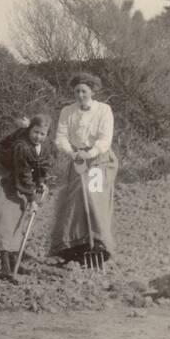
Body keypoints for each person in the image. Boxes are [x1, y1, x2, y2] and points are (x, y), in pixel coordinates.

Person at [49, 72, 119, 263]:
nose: (80, 95)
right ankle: (74, 246)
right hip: (77, 159)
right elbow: (61, 136)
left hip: (99, 161)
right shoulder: (67, 111)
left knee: (93, 197)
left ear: (92, 91)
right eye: (77, 91)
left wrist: (89, 153)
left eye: (83, 91)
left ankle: (98, 244)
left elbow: (105, 139)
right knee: (73, 200)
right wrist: (72, 152)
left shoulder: (104, 110)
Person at [0, 115, 53, 277]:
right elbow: (24, 173)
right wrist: (33, 198)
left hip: (20, 182)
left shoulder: (44, 147)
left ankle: (14, 263)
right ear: (29, 130)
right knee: (5, 221)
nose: (38, 137)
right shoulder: (21, 146)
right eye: (35, 132)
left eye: (42, 134)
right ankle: (5, 267)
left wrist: (41, 182)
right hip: (4, 180)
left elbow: (42, 166)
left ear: (47, 135)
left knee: (18, 220)